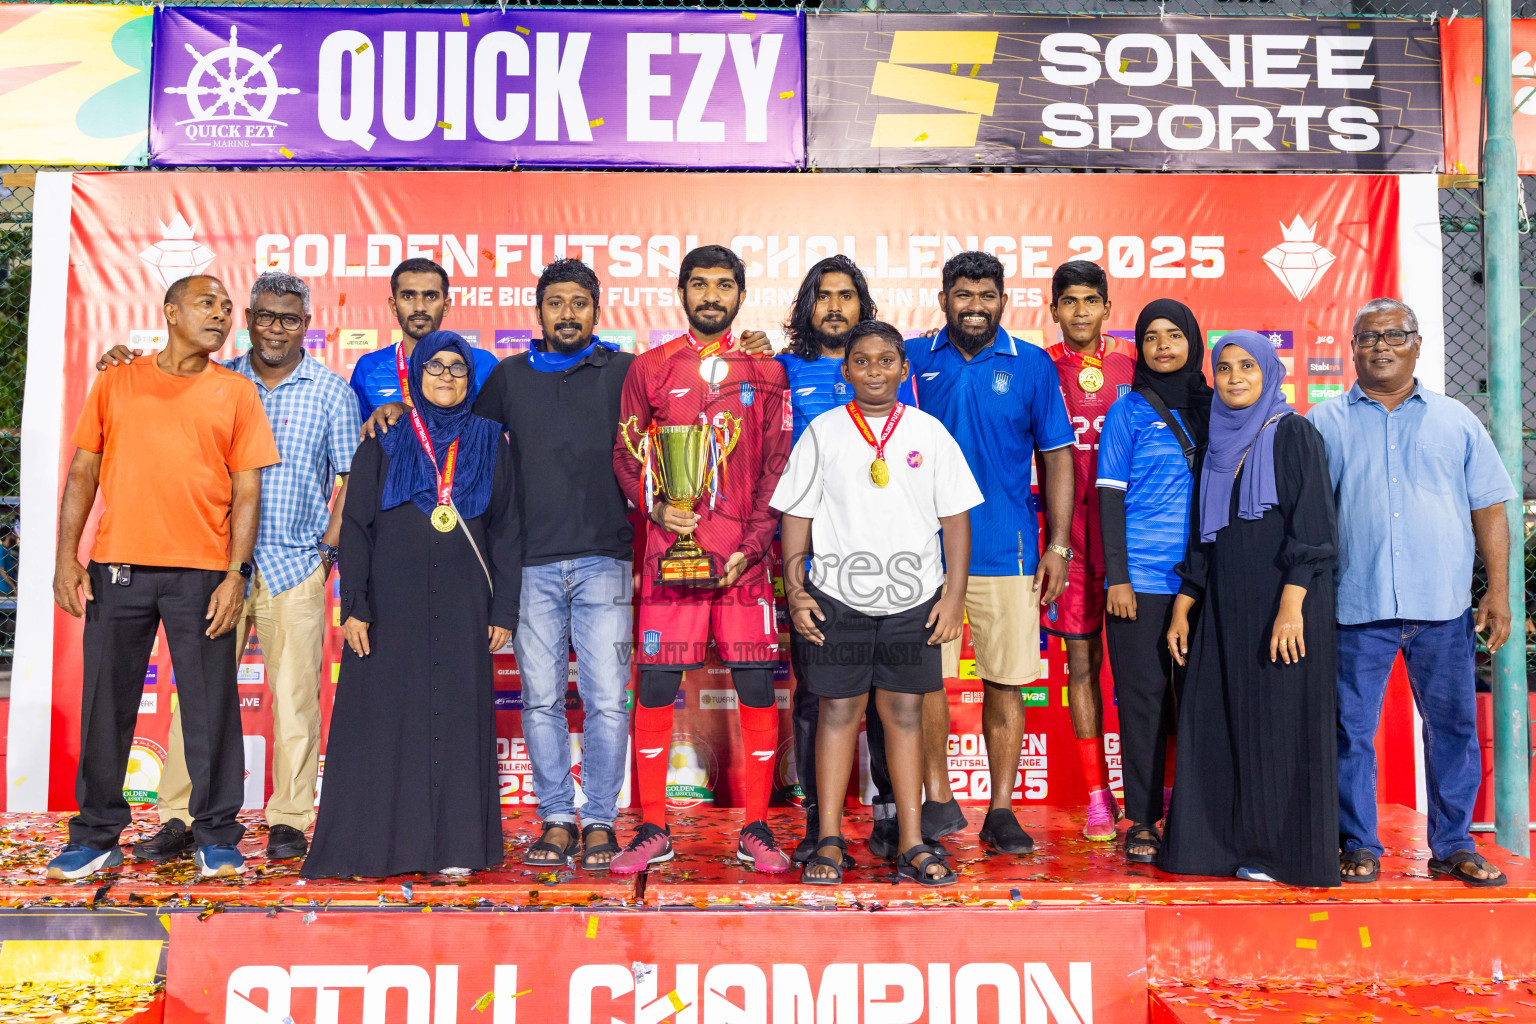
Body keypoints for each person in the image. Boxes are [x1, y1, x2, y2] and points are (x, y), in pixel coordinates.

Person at [363, 259, 636, 872]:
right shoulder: (508, 377)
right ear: (538, 312)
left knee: (607, 702)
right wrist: (396, 415)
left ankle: (599, 820)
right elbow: (453, 435)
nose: (568, 313)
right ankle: (556, 818)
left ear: (597, 309)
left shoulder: (625, 370)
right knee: (540, 701)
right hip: (530, 566)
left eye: (580, 303)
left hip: (607, 559)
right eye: (556, 303)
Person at [96, 272, 360, 864]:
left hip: (295, 565)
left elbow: (350, 478)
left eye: (289, 318)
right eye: (265, 315)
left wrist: (326, 550)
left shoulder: (332, 391)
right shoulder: (217, 378)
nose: (275, 328)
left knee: (295, 698)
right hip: (213, 568)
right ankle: (179, 816)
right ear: (247, 317)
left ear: (306, 326)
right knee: (199, 698)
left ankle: (289, 819)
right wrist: (116, 360)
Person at [49, 275, 279, 880]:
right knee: (106, 706)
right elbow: (82, 474)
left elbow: (248, 492)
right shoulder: (118, 379)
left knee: (212, 709)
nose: (222, 315)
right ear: (170, 312)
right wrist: (64, 558)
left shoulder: (237, 392)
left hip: (203, 574)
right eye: (209, 304)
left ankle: (216, 835)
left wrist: (237, 574)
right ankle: (96, 833)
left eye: (228, 308)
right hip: (117, 568)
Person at [1310, 298, 1517, 887]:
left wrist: (1496, 591)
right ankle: (1358, 844)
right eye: (1368, 338)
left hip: (1443, 609)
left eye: (1394, 335)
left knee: (1451, 729)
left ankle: (1452, 845)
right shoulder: (1326, 423)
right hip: (1356, 607)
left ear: (1418, 344)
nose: (1381, 346)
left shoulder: (1457, 421)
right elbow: (1305, 519)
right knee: (1350, 732)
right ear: (1352, 349)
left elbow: (1489, 507)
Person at [303, 332, 519, 879]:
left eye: (457, 369)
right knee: (383, 719)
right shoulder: (386, 438)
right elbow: (356, 527)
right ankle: (374, 846)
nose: (446, 378)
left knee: (459, 715)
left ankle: (456, 849)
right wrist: (354, 604)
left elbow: (508, 531)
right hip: (389, 602)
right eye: (435, 368)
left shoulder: (493, 441)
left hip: (467, 601)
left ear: (471, 379)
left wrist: (503, 611)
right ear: (416, 375)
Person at [773, 321, 981, 886]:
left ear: (903, 368)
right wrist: (797, 591)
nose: (873, 371)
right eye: (861, 362)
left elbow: (956, 518)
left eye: (885, 361)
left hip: (913, 600)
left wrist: (953, 595)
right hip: (838, 598)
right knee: (837, 715)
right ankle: (831, 839)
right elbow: (796, 516)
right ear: (845, 372)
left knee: (905, 717)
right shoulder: (823, 432)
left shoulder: (929, 432)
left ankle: (911, 840)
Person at [609, 245, 793, 875]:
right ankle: (653, 827)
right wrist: (658, 509)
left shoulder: (765, 371)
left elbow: (777, 464)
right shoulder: (652, 367)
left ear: (740, 294)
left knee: (756, 685)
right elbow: (626, 456)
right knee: (657, 684)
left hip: (744, 564)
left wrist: (752, 546)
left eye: (723, 286)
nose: (711, 295)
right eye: (699, 285)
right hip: (670, 557)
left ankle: (757, 828)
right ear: (681, 292)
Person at [740, 255, 913, 864]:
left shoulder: (892, 371)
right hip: (817, 560)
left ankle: (893, 816)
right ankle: (823, 822)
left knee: (891, 693)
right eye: (824, 296)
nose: (835, 306)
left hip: (890, 558)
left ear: (863, 305)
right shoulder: (780, 369)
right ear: (807, 307)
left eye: (846, 295)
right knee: (819, 695)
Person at [906, 251, 1076, 855]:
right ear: (944, 298)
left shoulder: (1030, 364)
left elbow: (1058, 457)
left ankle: (1001, 810)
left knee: (1006, 684)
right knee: (927, 682)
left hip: (1011, 553)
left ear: (1003, 300)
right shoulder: (914, 359)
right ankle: (937, 798)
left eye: (985, 295)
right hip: (927, 556)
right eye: (962, 294)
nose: (973, 306)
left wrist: (1058, 543)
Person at [1161, 331, 1339, 887]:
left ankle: (1279, 853)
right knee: (1220, 724)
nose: (1235, 377)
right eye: (1226, 367)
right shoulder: (1218, 441)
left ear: (1269, 374)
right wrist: (1184, 607)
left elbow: (1314, 531)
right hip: (1224, 608)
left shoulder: (1293, 434)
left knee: (1279, 727)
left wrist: (1291, 609)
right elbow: (1205, 537)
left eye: (1248, 367)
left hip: (1285, 604)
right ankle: (1220, 847)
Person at [1097, 299, 1212, 865]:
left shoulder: (1221, 408)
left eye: (1174, 334)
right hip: (1140, 582)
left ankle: (1197, 815)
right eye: (1150, 337)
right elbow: (1109, 498)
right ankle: (1142, 819)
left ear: (1194, 339)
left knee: (1199, 704)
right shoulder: (1127, 412)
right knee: (1142, 703)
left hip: (1207, 583)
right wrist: (1117, 578)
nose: (1163, 345)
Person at [1042, 260, 1136, 841]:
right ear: (1054, 309)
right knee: (1082, 666)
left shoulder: (1135, 362)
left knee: (1146, 671)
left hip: (1131, 537)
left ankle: (1155, 791)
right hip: (1068, 538)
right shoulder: (1038, 368)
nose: (1080, 311)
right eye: (1069, 301)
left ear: (1107, 308)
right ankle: (1098, 795)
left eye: (1090, 300)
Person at [349, 258, 499, 418]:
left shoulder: (483, 364)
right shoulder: (369, 368)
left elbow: (500, 434)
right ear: (394, 306)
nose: (419, 307)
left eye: (431, 297)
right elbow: (360, 437)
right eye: (408, 296)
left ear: (446, 306)